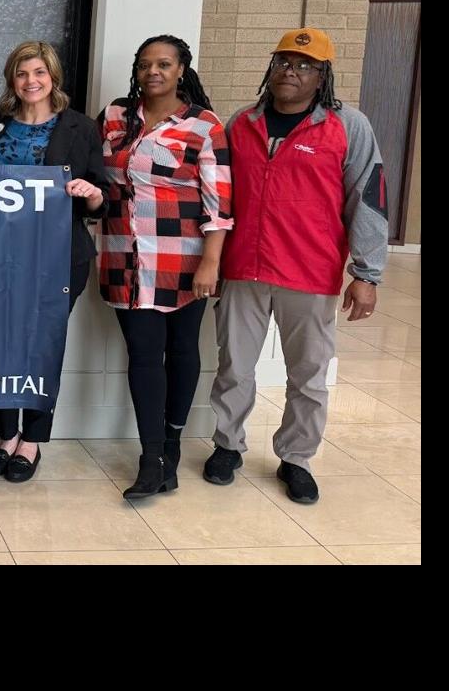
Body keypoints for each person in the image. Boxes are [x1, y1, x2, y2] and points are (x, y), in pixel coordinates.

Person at [204, 27, 388, 505]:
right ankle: (227, 445)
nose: (291, 70)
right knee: (234, 366)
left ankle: (297, 458)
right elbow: (218, 197)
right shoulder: (241, 123)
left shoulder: (348, 127)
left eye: (305, 65)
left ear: (323, 76)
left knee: (308, 373)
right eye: (284, 61)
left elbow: (367, 200)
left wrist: (367, 274)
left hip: (309, 271)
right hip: (243, 267)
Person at [0, 40, 108, 483]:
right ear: (12, 78)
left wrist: (89, 193)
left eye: (39, 73)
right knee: (2, 341)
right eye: (22, 74)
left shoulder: (80, 128)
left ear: (53, 78)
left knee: (40, 344)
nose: (31, 82)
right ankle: (6, 434)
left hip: (58, 257)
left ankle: (33, 440)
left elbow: (101, 198)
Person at [95, 35, 233, 500]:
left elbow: (219, 202)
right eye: (145, 64)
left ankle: (171, 442)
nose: (153, 71)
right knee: (144, 354)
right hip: (124, 258)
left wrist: (211, 261)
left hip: (185, 260)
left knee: (182, 350)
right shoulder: (115, 117)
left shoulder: (203, 125)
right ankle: (152, 457)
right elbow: (94, 177)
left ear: (180, 70)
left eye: (164, 64)